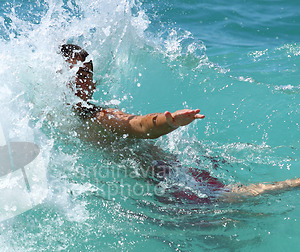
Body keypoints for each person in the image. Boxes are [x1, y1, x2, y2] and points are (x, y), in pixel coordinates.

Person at [60, 44, 300, 202]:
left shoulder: (99, 116)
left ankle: (293, 183)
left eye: (82, 76)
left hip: (162, 174)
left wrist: (169, 121)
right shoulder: (55, 115)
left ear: (92, 85)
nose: (75, 82)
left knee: (227, 199)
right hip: (159, 175)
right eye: (69, 74)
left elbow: (139, 125)